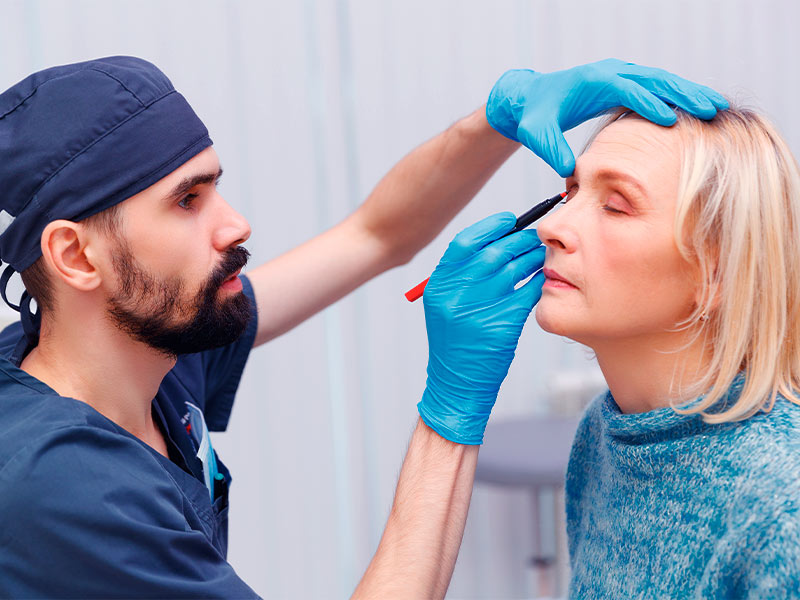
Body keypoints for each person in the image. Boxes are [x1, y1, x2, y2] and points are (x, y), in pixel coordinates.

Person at [0, 56, 725, 598]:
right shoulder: (62, 490)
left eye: (215, 185)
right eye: (187, 201)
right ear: (75, 256)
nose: (236, 223)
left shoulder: (147, 347)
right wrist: (453, 401)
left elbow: (377, 234)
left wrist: (496, 119)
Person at [530, 106, 800, 597]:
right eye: (569, 193)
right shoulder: (604, 434)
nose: (553, 226)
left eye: (616, 205)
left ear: (716, 273)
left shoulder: (784, 503)